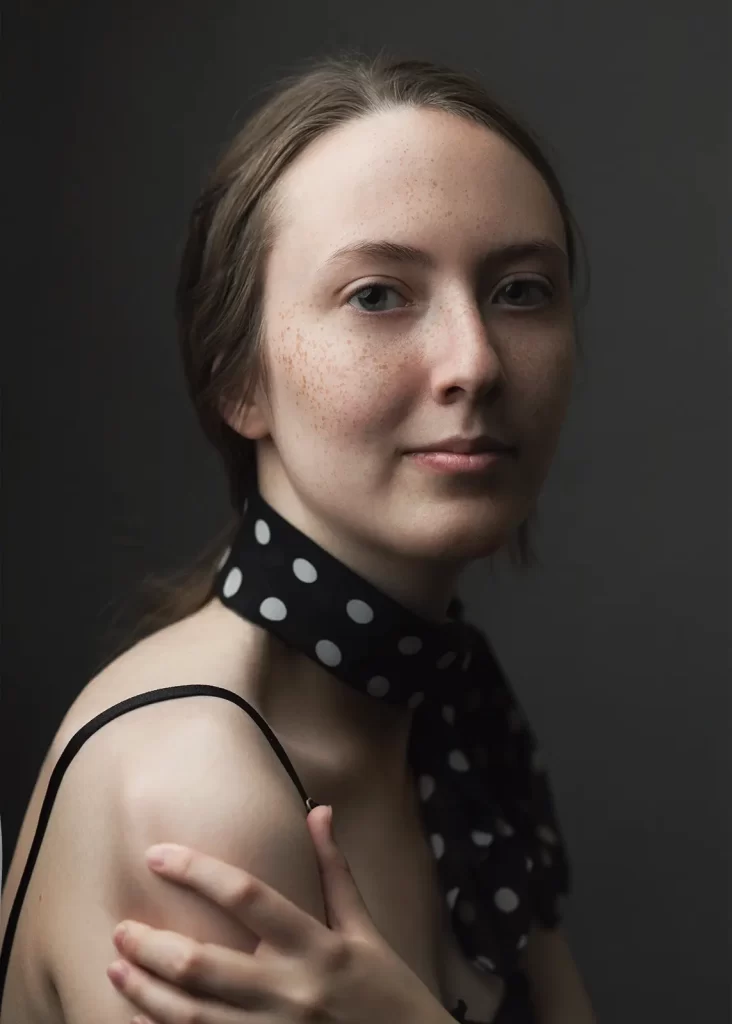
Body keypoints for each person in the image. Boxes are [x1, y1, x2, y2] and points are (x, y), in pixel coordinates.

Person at [0, 51, 596, 1023]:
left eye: (521, 290)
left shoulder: (453, 718)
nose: (476, 362)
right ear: (237, 377)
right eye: (378, 294)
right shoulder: (197, 782)